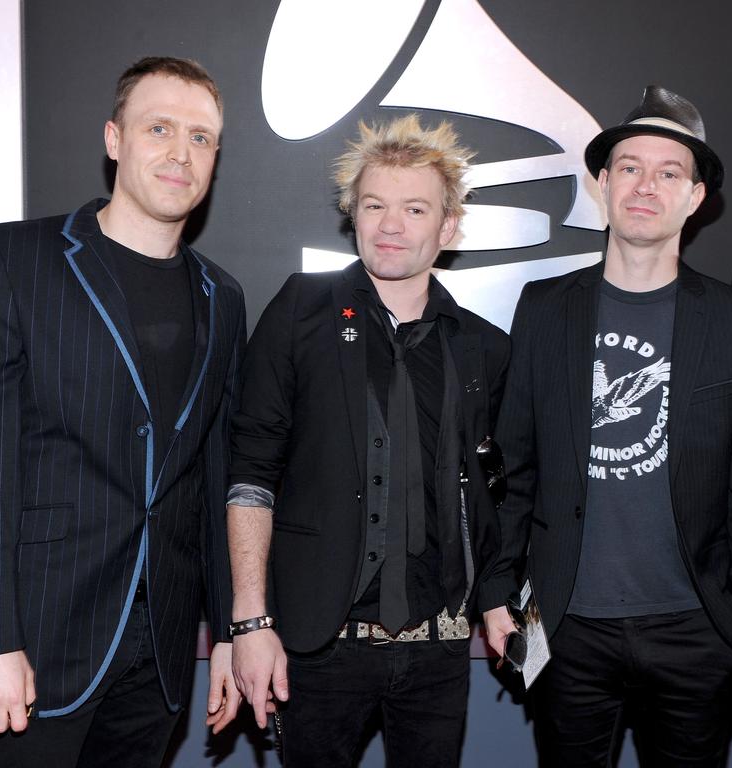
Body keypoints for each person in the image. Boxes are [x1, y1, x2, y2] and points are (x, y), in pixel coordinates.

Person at [480, 85, 732, 767]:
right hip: (564, 626)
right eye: (630, 167)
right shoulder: (545, 308)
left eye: (669, 172)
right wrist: (496, 592)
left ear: (696, 197)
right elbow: (513, 467)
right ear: (601, 184)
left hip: (696, 628)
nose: (647, 185)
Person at [0, 57, 246, 767]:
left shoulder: (224, 296)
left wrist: (236, 632)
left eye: (201, 137)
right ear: (114, 139)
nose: (181, 153)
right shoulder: (13, 257)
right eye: (159, 128)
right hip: (33, 644)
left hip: (158, 659)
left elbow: (214, 477)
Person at [227, 114, 510, 767]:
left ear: (448, 228)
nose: (390, 224)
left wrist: (498, 599)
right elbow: (251, 472)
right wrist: (249, 621)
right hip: (319, 645)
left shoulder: (481, 349)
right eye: (374, 205)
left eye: (415, 208)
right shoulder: (302, 309)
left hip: (440, 649)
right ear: (352, 215)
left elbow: (500, 493)